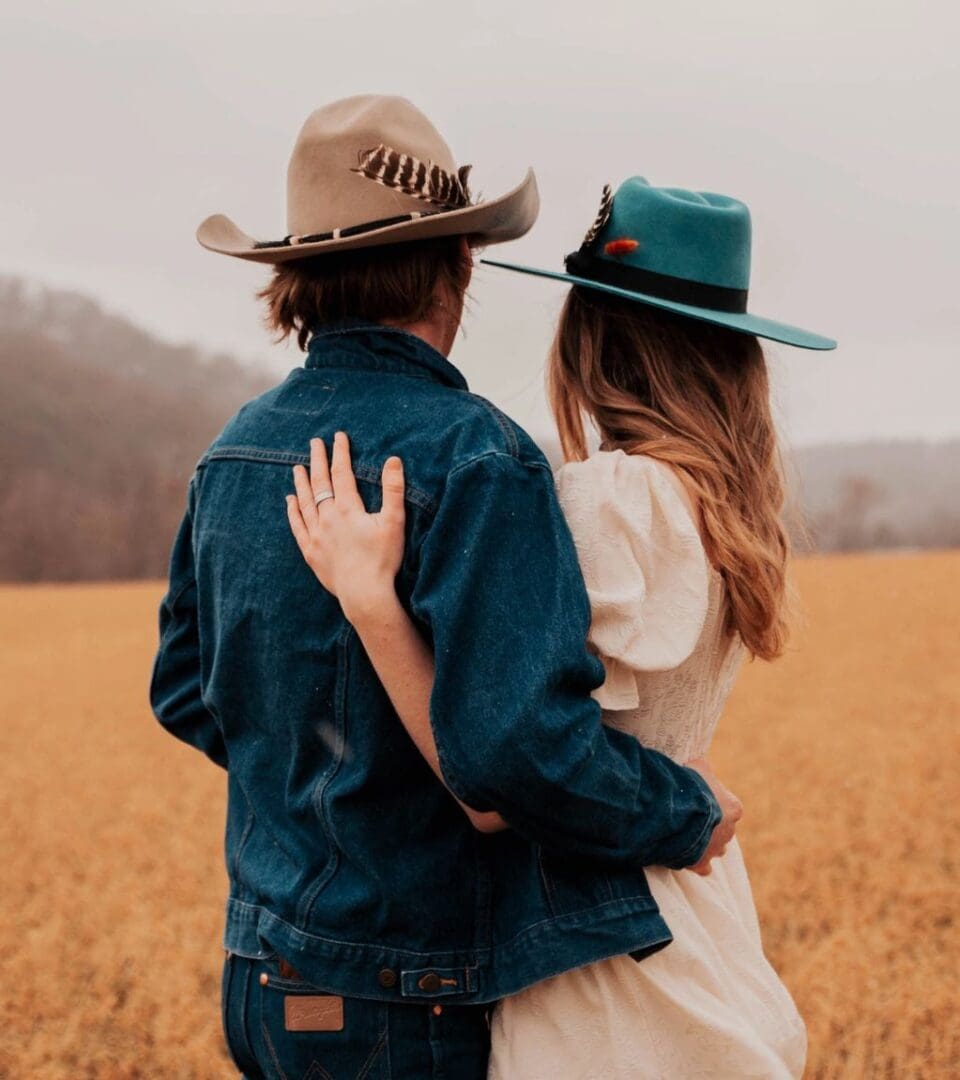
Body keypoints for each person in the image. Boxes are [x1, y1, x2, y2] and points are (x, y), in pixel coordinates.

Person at [150, 97, 737, 1079]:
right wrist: (686, 809)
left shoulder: (232, 453)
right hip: (403, 1000)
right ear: (459, 262)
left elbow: (184, 689)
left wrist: (323, 770)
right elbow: (515, 752)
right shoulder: (478, 456)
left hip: (257, 973)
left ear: (296, 280)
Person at [286, 176, 837, 1077]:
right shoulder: (724, 509)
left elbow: (495, 778)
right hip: (694, 912)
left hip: (590, 945)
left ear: (593, 339)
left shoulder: (608, 506)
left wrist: (371, 601)